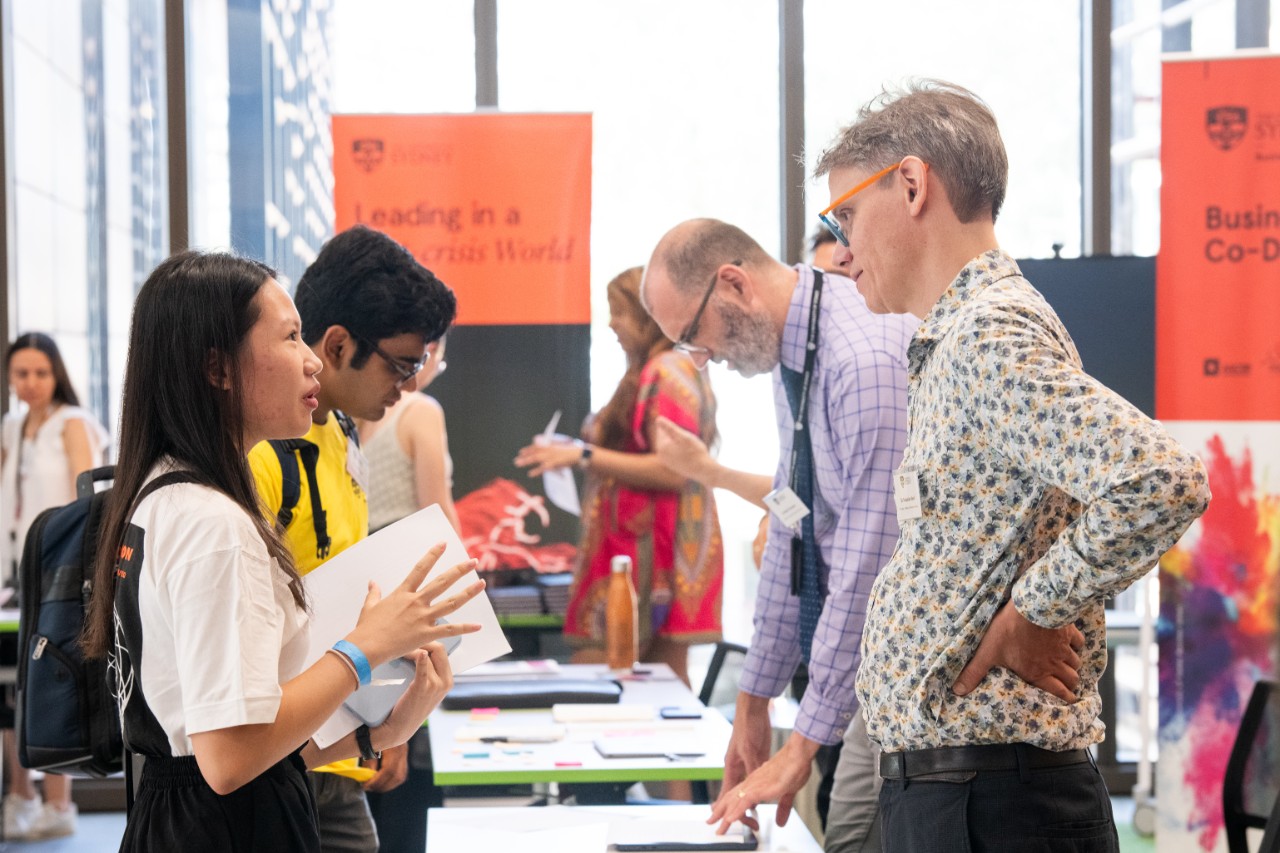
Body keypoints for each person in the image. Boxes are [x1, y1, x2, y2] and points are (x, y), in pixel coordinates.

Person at [809, 80, 1210, 850]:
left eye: (846, 215)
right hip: (967, 794)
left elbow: (1162, 477)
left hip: (992, 801)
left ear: (913, 184)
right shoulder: (956, 338)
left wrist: (1033, 607)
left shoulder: (986, 335)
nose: (846, 250)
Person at [79, 250, 483, 852]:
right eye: (292, 337)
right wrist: (365, 650)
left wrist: (376, 733)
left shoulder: (169, 493)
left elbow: (236, 743)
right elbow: (226, 759)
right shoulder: (211, 521)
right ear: (218, 367)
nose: (313, 360)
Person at [641, 220, 916, 851]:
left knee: (848, 835)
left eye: (695, 339)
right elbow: (794, 522)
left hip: (919, 664)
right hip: (877, 660)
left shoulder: (860, 360)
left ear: (733, 285)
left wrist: (803, 743)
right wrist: (753, 700)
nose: (705, 363)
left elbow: (862, 565)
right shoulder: (797, 354)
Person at [247, 225, 457, 853]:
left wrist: (378, 727)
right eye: (402, 364)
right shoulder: (255, 453)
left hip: (333, 747)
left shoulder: (343, 431)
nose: (411, 385)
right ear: (337, 345)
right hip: (267, 758)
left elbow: (350, 593)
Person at [515, 266, 723, 688]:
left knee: (610, 682)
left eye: (620, 312)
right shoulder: (656, 370)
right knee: (649, 687)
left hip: (650, 554)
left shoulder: (667, 371)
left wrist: (583, 454)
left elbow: (674, 470)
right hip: (636, 547)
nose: (611, 323)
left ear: (648, 316)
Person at [0, 332, 108, 840]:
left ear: (57, 374)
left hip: (58, 573)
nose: (30, 383)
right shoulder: (12, 426)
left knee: (55, 675)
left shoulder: (73, 423)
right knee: (10, 685)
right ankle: (19, 795)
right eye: (21, 373)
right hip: (10, 573)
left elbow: (86, 499)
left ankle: (59, 802)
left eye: (40, 373)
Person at [354, 335, 454, 853]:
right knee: (410, 759)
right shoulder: (421, 411)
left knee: (366, 753)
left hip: (361, 599)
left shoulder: (348, 419)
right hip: (413, 588)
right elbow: (442, 526)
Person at [358, 335, 459, 535]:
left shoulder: (363, 412)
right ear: (427, 351)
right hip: (410, 549)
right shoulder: (422, 410)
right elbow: (436, 511)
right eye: (439, 365)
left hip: (366, 550)